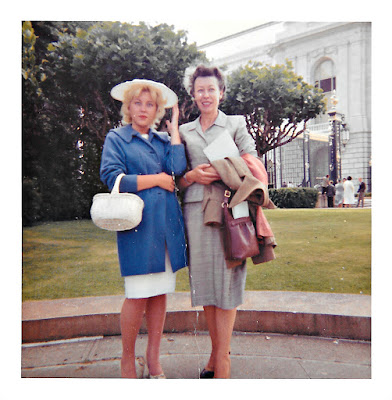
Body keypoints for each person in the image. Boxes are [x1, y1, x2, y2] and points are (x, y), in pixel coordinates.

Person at [100, 79, 187, 378]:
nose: (143, 109)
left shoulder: (163, 141)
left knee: (160, 293)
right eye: (138, 103)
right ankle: (127, 359)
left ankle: (154, 360)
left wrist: (175, 128)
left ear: (157, 111)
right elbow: (112, 177)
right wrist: (156, 180)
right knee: (137, 294)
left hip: (166, 226)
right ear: (128, 106)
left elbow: (177, 170)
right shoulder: (117, 138)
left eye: (150, 104)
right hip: (138, 227)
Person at [178, 65, 260, 379]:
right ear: (193, 94)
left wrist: (222, 168)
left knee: (227, 282)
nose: (206, 95)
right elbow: (177, 179)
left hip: (231, 210)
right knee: (206, 284)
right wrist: (191, 175)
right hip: (197, 211)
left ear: (221, 92)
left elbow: (253, 164)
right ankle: (215, 355)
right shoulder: (185, 131)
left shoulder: (235, 124)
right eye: (200, 90)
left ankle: (222, 362)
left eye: (211, 89)